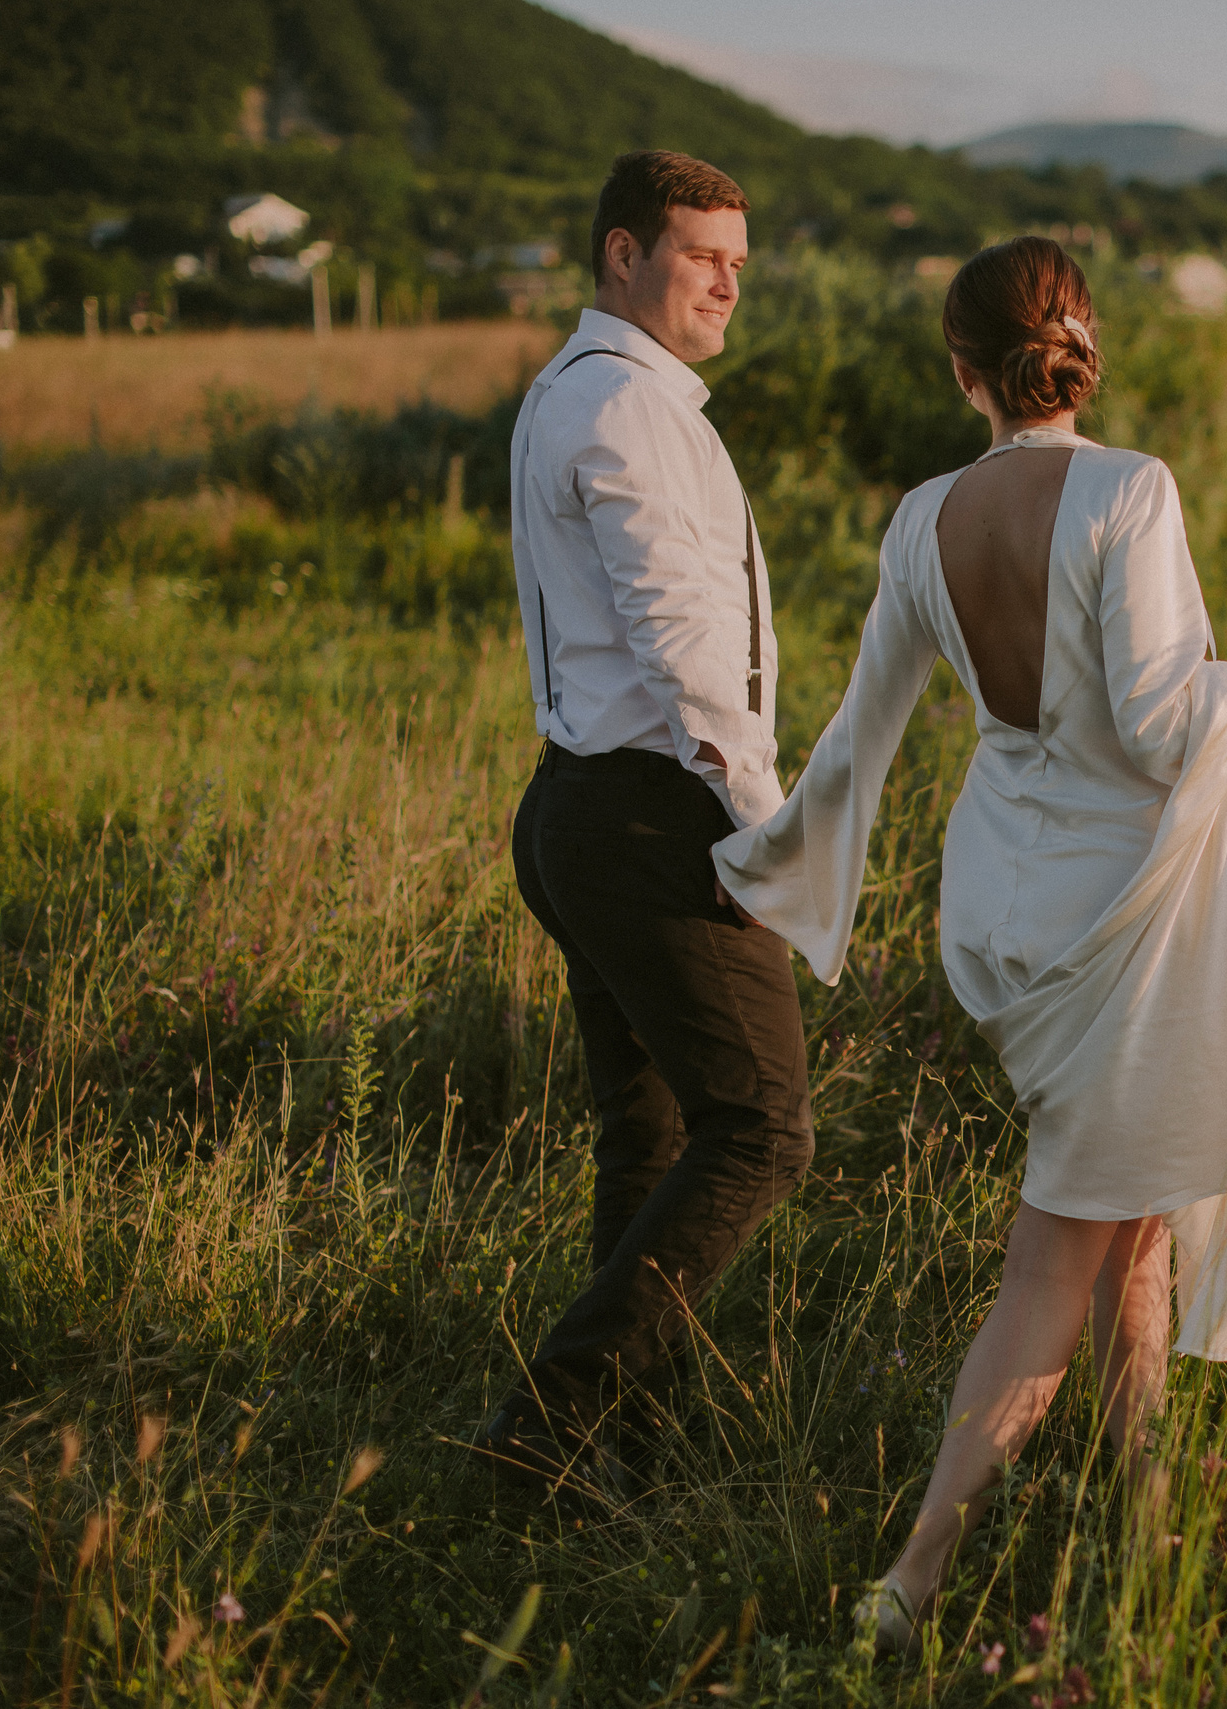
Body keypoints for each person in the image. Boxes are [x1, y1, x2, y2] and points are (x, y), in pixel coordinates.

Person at [713, 236, 1227, 1650]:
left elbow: (860, 738)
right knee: (1056, 1253)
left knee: (1133, 1226)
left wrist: (765, 859)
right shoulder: (1128, 492)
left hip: (1006, 914)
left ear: (963, 372)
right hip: (1125, 924)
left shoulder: (919, 521)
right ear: (1084, 351)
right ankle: (908, 1581)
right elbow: (1164, 727)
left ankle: (1142, 1507)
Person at [477, 150, 814, 1498]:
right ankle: (542, 1433)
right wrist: (768, 834)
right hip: (653, 823)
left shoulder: (589, 390)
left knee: (658, 1140)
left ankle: (622, 1453)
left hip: (584, 807)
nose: (731, 279)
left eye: (740, 257)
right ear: (624, 254)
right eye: (701, 255)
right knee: (765, 1131)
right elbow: (687, 652)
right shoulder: (624, 409)